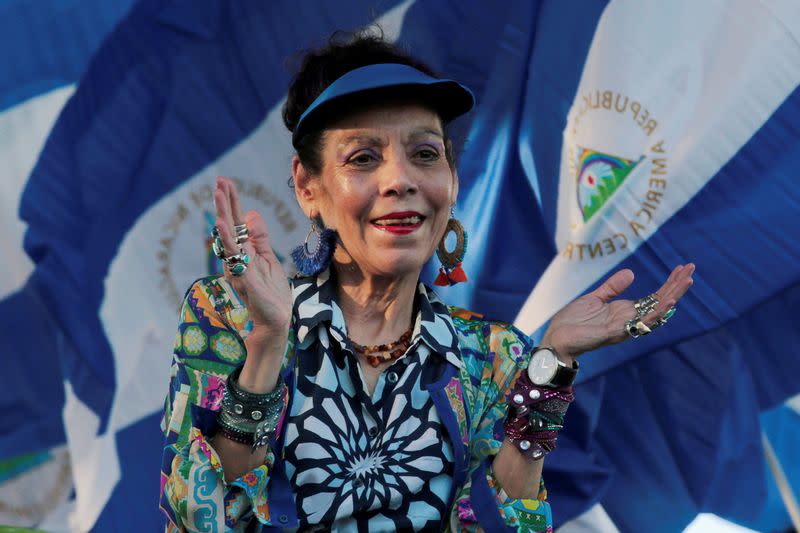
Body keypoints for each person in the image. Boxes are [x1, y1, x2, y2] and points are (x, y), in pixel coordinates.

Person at [159, 31, 695, 532]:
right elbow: (202, 519)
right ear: (307, 187)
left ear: (452, 180)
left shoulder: (494, 356)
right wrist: (268, 348)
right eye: (363, 158)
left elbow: (502, 524)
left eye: (424, 154)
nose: (400, 181)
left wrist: (550, 365)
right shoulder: (227, 317)